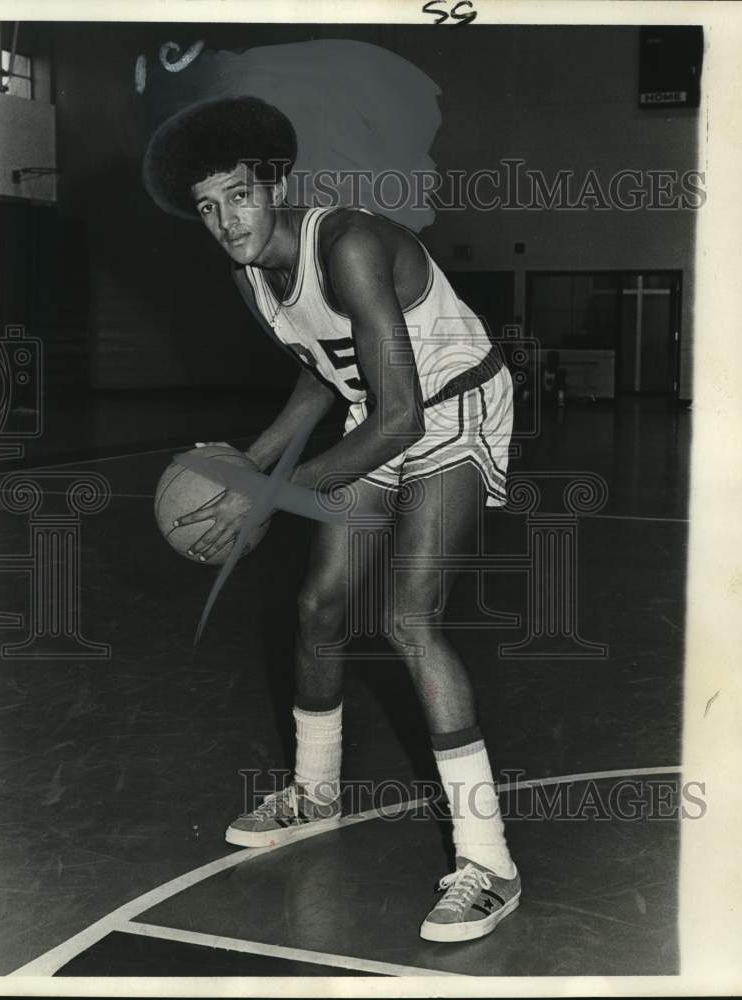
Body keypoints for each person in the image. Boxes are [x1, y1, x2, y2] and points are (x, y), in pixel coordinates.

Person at [143, 96, 519, 943]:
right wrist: (249, 465)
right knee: (318, 606)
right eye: (207, 207)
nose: (227, 220)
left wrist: (271, 494)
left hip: (452, 404)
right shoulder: (251, 277)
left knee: (406, 615)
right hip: (380, 406)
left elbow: (403, 418)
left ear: (274, 182)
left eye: (238, 194)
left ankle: (489, 861)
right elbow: (323, 372)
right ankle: (316, 790)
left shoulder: (348, 245)